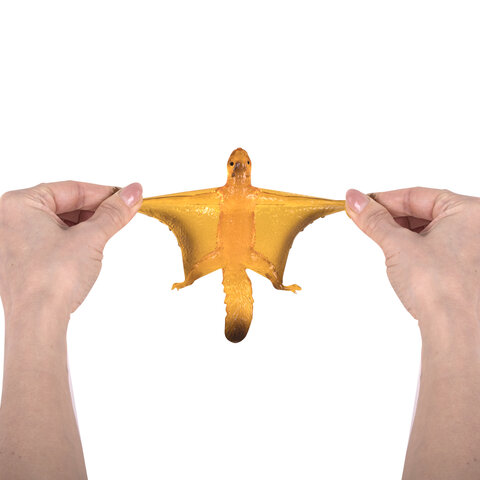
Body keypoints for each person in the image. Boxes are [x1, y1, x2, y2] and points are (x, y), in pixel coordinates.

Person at [0, 182, 479, 479]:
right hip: (223, 261)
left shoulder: (262, 201)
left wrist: (36, 303)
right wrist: (452, 309)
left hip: (246, 260)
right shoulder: (209, 201)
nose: (238, 170)